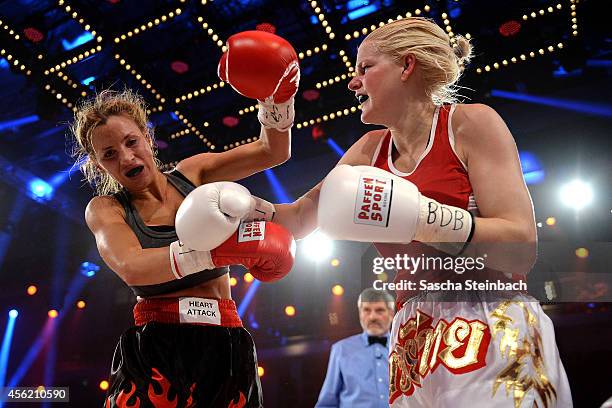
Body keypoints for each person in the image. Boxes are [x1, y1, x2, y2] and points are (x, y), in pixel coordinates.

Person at [227, 17, 573, 408]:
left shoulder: (470, 123)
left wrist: (420, 217)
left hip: (492, 316)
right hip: (411, 336)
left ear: (407, 66)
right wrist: (239, 206)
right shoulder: (367, 151)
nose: (352, 82)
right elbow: (300, 218)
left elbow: (520, 246)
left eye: (365, 68)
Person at [71, 31, 300, 407]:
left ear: (147, 136)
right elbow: (133, 267)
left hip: (226, 339)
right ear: (99, 165)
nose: (126, 158)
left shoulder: (192, 174)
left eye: (131, 142)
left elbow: (272, 151)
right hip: (157, 346)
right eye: (110, 154)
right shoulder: (106, 208)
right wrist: (220, 250)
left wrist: (278, 100)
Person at [316, 288, 394, 408]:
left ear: (391, 314)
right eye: (367, 310)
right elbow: (326, 404)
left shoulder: (406, 349)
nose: (373, 317)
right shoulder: (341, 349)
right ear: (360, 314)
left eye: (379, 310)